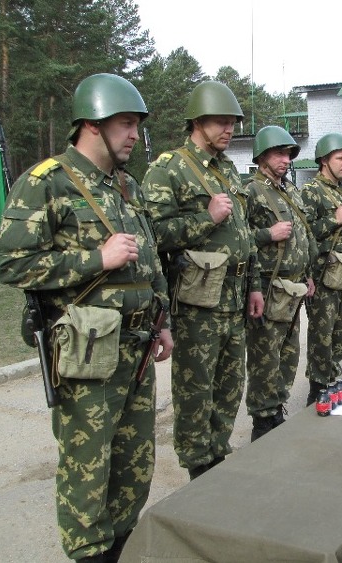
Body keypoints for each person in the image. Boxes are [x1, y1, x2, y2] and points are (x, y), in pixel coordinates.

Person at [0, 73, 173, 562]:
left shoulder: (126, 185)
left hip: (136, 349)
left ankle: (117, 547)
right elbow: (9, 262)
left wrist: (163, 322)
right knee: (87, 466)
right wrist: (95, 259)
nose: (135, 135)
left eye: (137, 125)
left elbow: (150, 259)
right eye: (126, 124)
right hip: (86, 353)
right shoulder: (46, 181)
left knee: (135, 464)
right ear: (92, 125)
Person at [141, 81, 263, 480]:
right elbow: (153, 235)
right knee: (197, 390)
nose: (229, 129)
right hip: (198, 302)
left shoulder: (228, 169)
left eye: (232, 122)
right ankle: (198, 467)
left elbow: (244, 233)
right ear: (197, 121)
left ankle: (218, 457)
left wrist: (256, 284)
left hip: (235, 295)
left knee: (230, 384)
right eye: (220, 121)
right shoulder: (169, 168)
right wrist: (205, 218)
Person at [243, 126, 316, 441]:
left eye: (288, 153)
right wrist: (266, 235)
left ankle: (277, 407)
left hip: (294, 286)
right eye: (278, 153)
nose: (285, 159)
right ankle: (262, 419)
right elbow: (238, 239)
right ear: (261, 156)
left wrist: (308, 274)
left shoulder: (290, 190)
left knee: (288, 351)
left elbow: (301, 235)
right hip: (270, 287)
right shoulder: (251, 191)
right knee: (265, 355)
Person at [302, 133, 342, 405]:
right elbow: (305, 235)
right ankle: (317, 388)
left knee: (341, 331)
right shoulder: (311, 191)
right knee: (322, 334)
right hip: (323, 276)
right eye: (339, 158)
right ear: (323, 160)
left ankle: (332, 378)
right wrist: (332, 219)